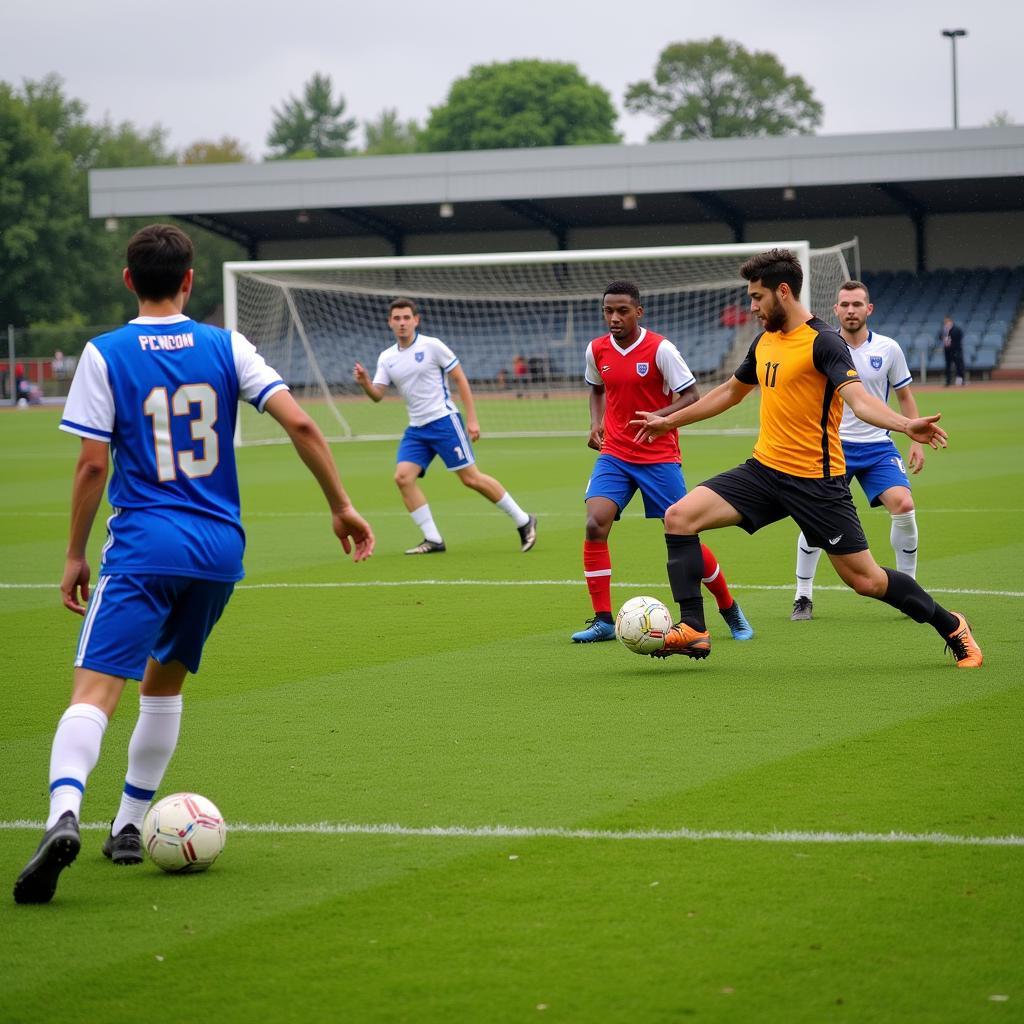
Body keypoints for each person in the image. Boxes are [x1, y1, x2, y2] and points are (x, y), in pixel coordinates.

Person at [13, 224, 375, 906]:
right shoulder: (225, 344)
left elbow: (93, 463)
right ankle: (126, 824)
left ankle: (64, 812)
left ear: (127, 280)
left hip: (145, 546)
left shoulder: (105, 353)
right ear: (189, 281)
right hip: (219, 550)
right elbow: (300, 423)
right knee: (164, 685)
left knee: (95, 694)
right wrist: (342, 505)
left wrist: (72, 554)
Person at [631, 248, 982, 669]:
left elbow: (860, 401)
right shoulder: (764, 341)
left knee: (866, 581)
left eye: (757, 297)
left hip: (816, 483)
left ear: (783, 292)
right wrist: (671, 421)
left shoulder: (824, 342)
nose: (752, 307)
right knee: (679, 518)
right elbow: (729, 392)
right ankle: (694, 629)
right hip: (763, 472)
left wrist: (906, 425)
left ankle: (953, 626)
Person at [571, 281, 753, 644]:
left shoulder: (661, 349)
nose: (614, 318)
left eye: (622, 310)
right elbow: (596, 388)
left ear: (638, 311)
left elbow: (691, 395)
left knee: (683, 533)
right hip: (616, 455)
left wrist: (661, 417)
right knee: (595, 524)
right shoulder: (597, 349)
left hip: (659, 456)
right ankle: (604, 620)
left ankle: (729, 607)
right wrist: (596, 423)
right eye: (608, 311)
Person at [353, 298, 536, 554]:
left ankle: (524, 520)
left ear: (416, 320)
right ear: (390, 322)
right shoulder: (387, 357)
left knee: (471, 479)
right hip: (417, 429)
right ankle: (433, 539)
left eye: (407, 317)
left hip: (444, 422)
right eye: (397, 318)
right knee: (403, 478)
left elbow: (460, 378)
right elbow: (377, 395)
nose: (402, 323)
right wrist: (364, 383)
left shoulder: (432, 346)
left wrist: (472, 419)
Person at [791, 281, 923, 620]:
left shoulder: (889, 349)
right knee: (813, 521)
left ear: (869, 309)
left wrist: (912, 437)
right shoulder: (822, 346)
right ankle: (802, 595)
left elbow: (904, 396)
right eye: (845, 304)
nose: (851, 310)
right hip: (832, 447)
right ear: (835, 309)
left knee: (904, 504)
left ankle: (908, 589)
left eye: (857, 304)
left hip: (878, 446)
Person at [939, 315, 965, 387]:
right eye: (945, 322)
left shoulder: (956, 329)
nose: (946, 323)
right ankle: (948, 382)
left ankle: (960, 381)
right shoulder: (944, 330)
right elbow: (940, 337)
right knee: (948, 367)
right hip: (947, 352)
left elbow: (958, 338)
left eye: (947, 322)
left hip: (956, 351)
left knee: (959, 366)